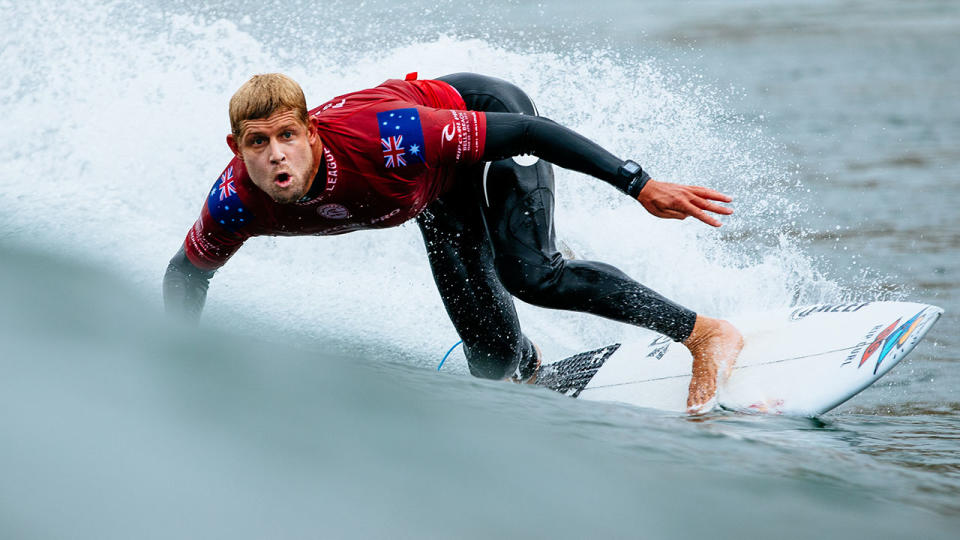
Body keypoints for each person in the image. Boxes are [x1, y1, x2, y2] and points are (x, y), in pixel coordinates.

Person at [163, 71, 743, 414]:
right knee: (492, 364)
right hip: (433, 192)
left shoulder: (387, 136)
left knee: (531, 273)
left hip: (488, 118)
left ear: (312, 132)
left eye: (288, 135)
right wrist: (180, 366)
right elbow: (187, 273)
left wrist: (639, 185)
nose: (275, 154)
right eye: (258, 142)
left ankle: (705, 334)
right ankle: (530, 368)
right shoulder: (235, 203)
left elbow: (528, 132)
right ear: (236, 148)